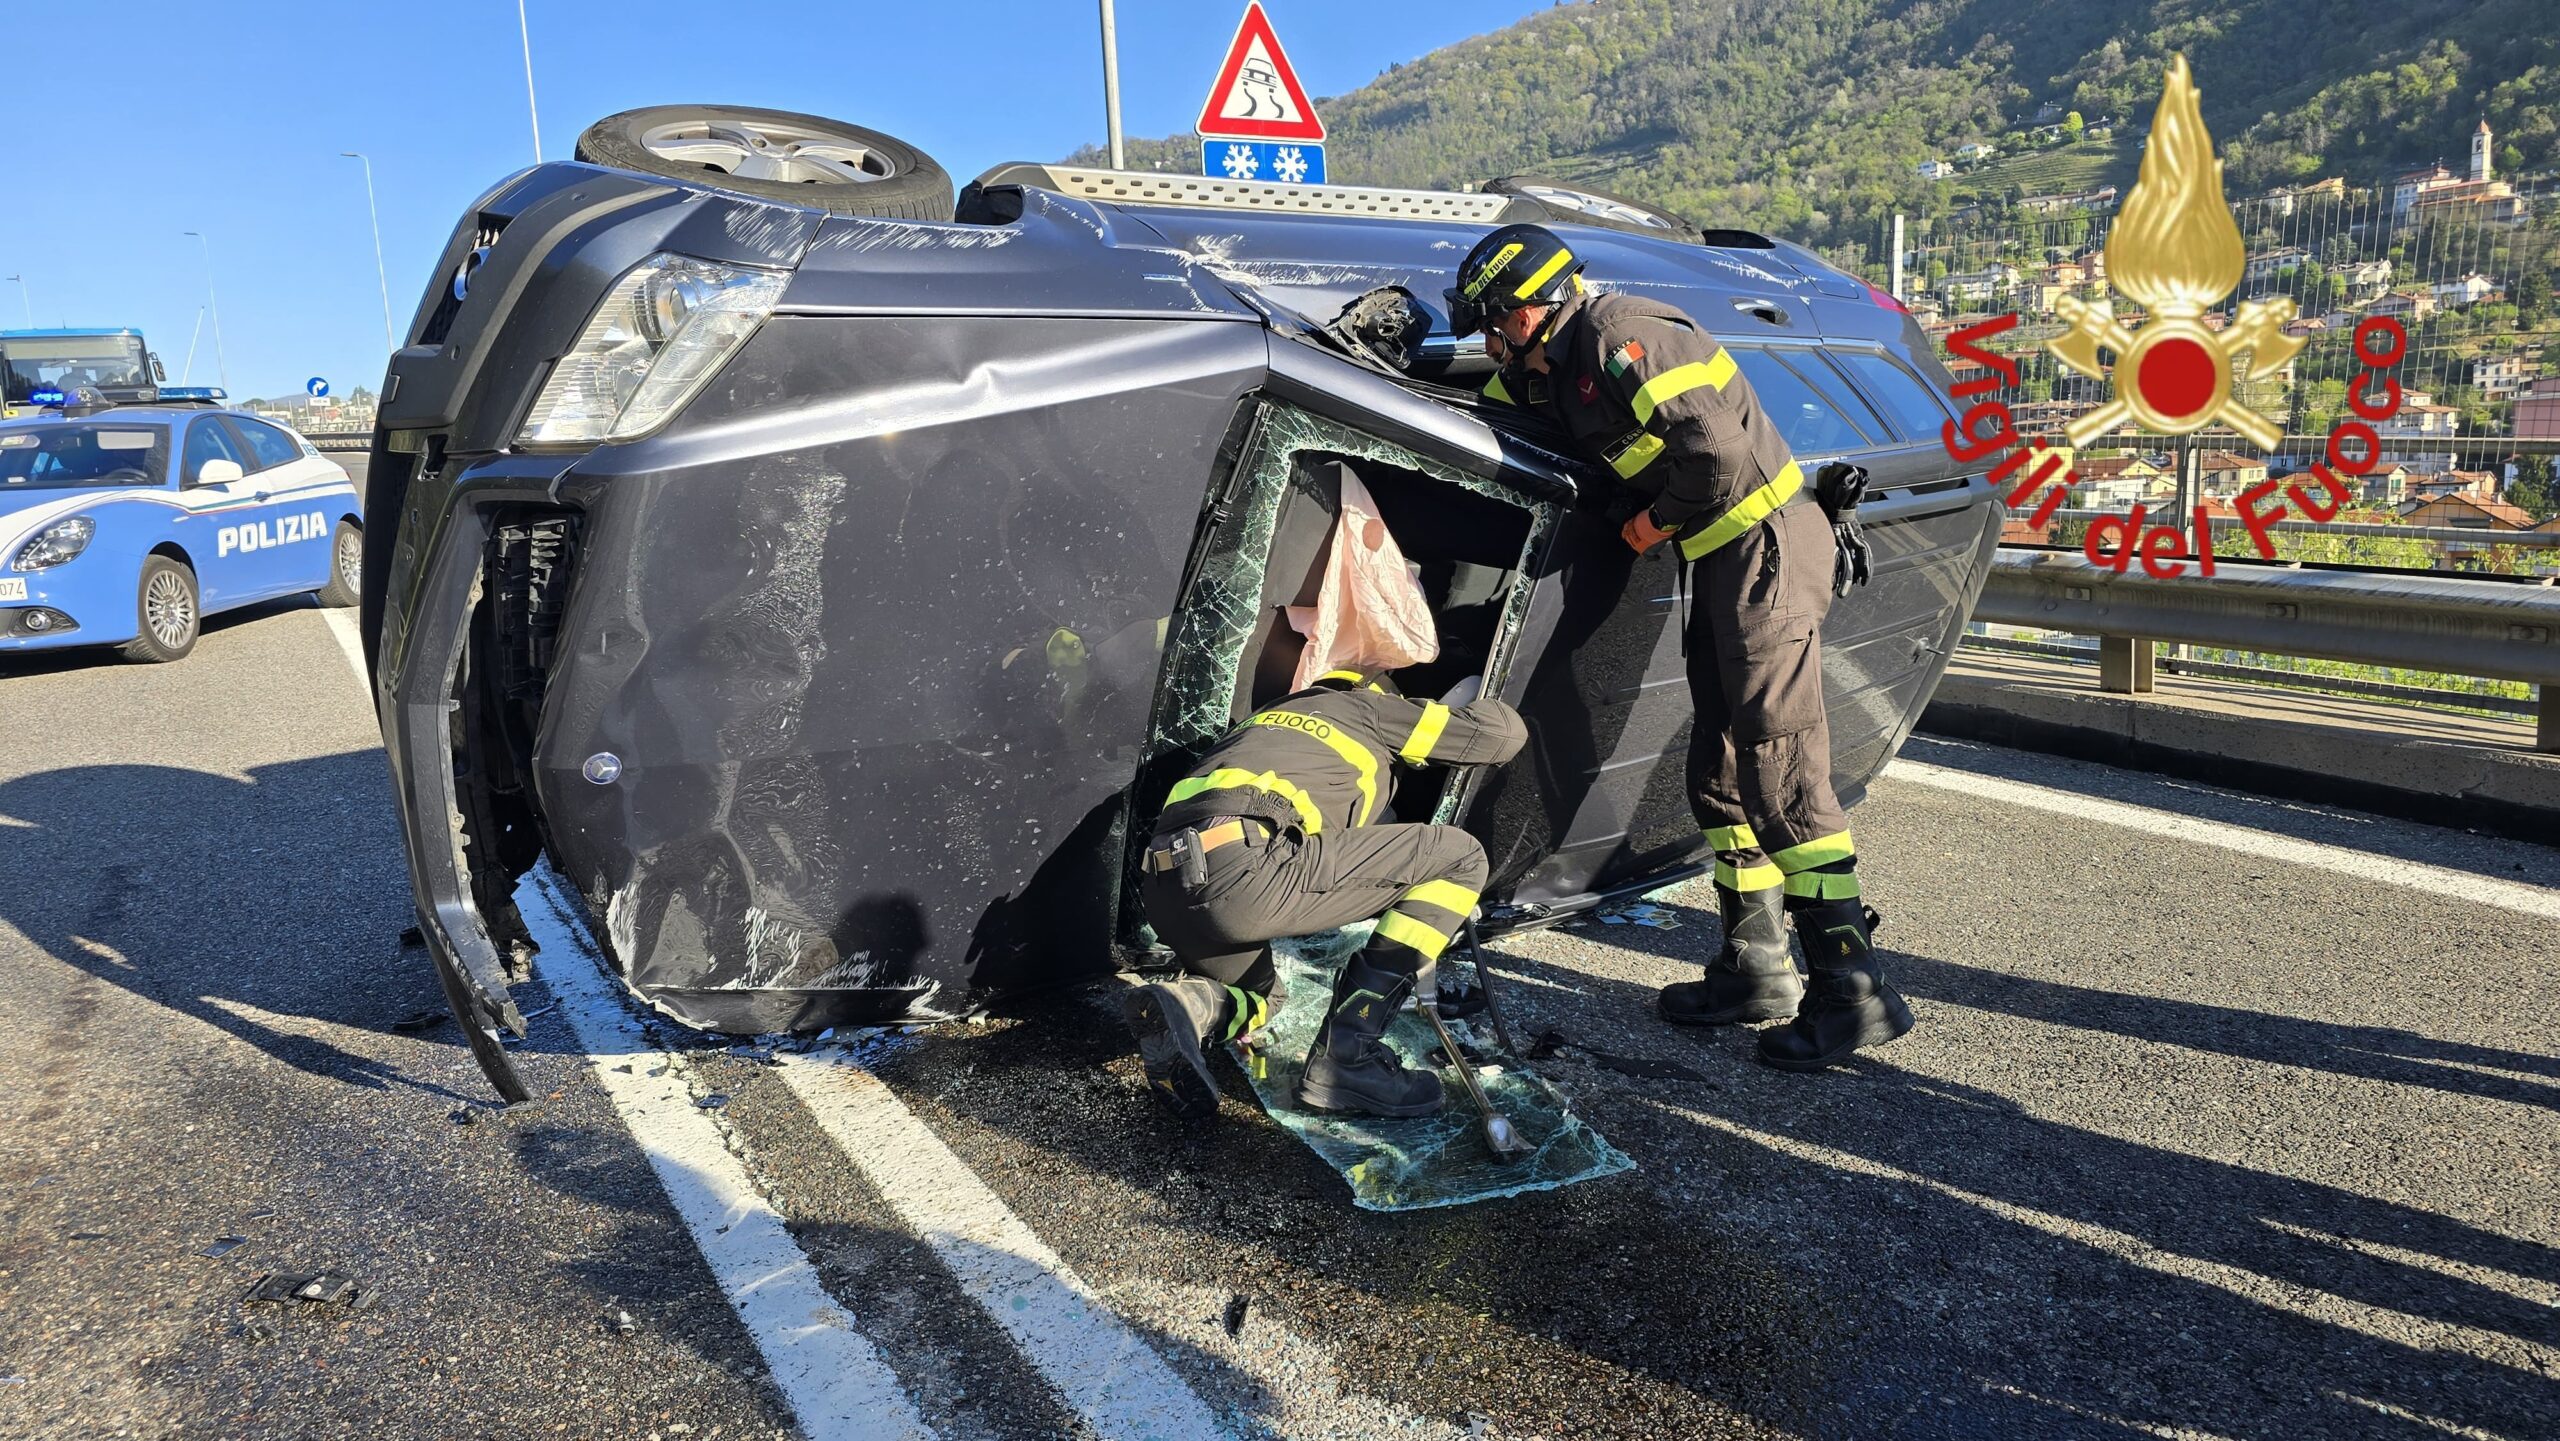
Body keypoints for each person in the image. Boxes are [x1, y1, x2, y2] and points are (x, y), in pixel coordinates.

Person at [1448, 223, 1913, 1072]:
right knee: (1723, 771)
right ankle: (1755, 967)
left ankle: (1854, 988)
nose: (1490, 339)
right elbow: (1498, 413)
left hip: (1762, 543)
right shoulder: (1556, 369)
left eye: (1494, 321)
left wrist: (1646, 524)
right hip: (1722, 558)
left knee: (1779, 766)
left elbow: (1717, 456)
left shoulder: (1623, 336)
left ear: (1534, 303)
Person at [1124, 668, 1527, 1118]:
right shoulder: (1364, 708)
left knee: (1262, 997)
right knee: (1459, 857)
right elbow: (1500, 735)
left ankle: (1190, 1004)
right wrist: (1472, 703)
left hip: (1165, 887)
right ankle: (1349, 1059)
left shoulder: (1258, 725)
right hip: (1247, 870)